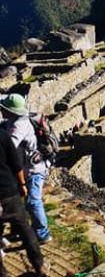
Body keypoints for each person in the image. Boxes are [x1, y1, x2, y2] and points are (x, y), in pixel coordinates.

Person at [1, 94, 51, 245]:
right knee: (18, 201)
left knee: (33, 202)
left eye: (3, 108)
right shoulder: (12, 121)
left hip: (34, 170)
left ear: (11, 111)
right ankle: (19, 229)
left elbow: (8, 147)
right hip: (23, 169)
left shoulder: (19, 127)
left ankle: (43, 234)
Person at [0, 129, 47, 277]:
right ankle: (40, 266)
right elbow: (16, 164)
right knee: (24, 228)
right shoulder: (2, 134)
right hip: (8, 190)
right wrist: (22, 184)